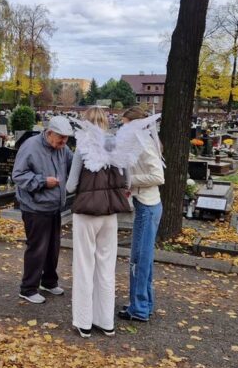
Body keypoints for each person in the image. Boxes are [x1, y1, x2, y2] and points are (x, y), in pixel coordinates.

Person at [66, 107, 131, 338]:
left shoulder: (82, 148)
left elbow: (71, 185)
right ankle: (106, 321)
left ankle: (84, 322)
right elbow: (128, 181)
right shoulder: (118, 147)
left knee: (84, 266)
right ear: (105, 122)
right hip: (110, 214)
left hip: (86, 213)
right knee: (106, 267)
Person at [12, 116, 74, 304]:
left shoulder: (63, 149)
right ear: (49, 133)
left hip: (54, 206)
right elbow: (18, 175)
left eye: (66, 139)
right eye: (60, 138)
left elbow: (74, 165)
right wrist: (42, 182)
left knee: (53, 247)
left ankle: (49, 281)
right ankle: (28, 288)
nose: (64, 143)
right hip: (35, 207)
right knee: (37, 248)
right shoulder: (31, 146)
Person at [118, 107, 165, 322]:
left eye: (125, 123)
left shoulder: (145, 144)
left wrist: (129, 181)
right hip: (145, 203)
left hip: (148, 206)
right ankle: (143, 303)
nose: (122, 127)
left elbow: (158, 176)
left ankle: (139, 309)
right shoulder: (140, 142)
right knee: (141, 257)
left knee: (139, 258)